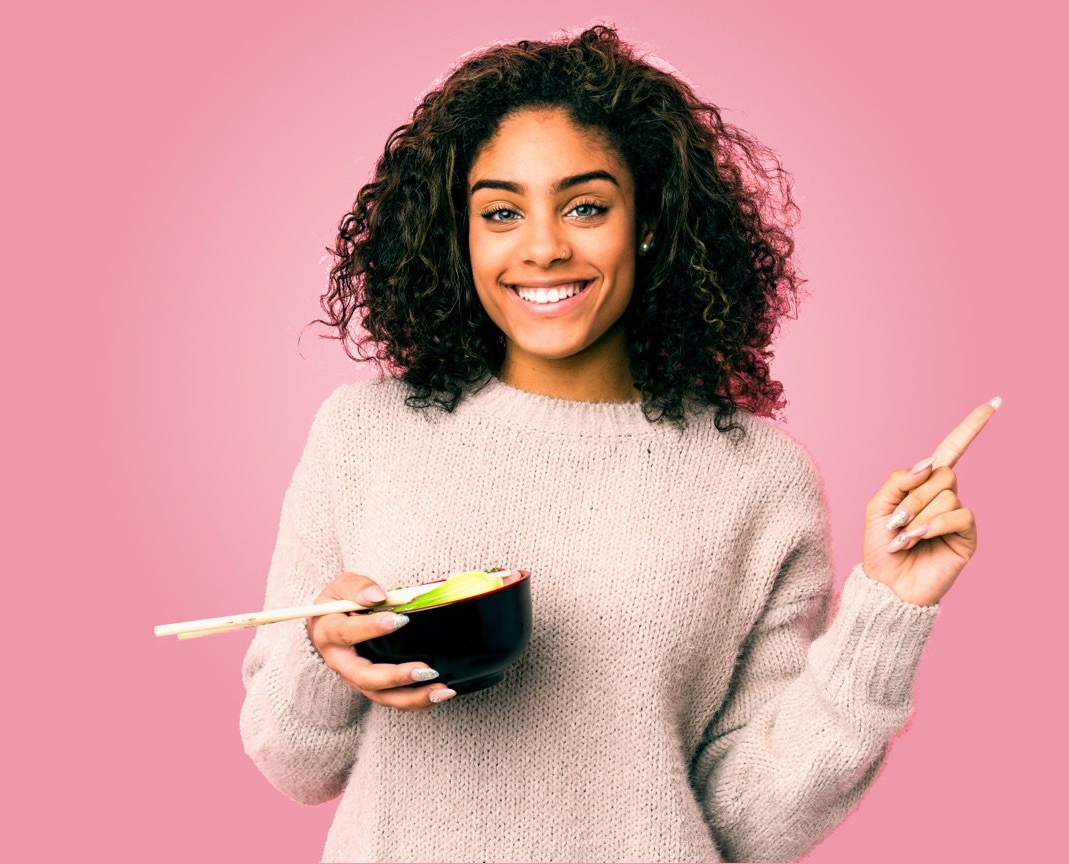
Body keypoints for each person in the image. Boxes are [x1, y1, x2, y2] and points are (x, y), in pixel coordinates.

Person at [239, 24, 994, 864]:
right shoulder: (364, 435)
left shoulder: (759, 479)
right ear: (462, 236)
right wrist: (321, 651)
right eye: (500, 212)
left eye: (586, 206)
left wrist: (890, 611)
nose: (543, 246)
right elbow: (293, 764)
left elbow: (747, 823)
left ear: (648, 223)